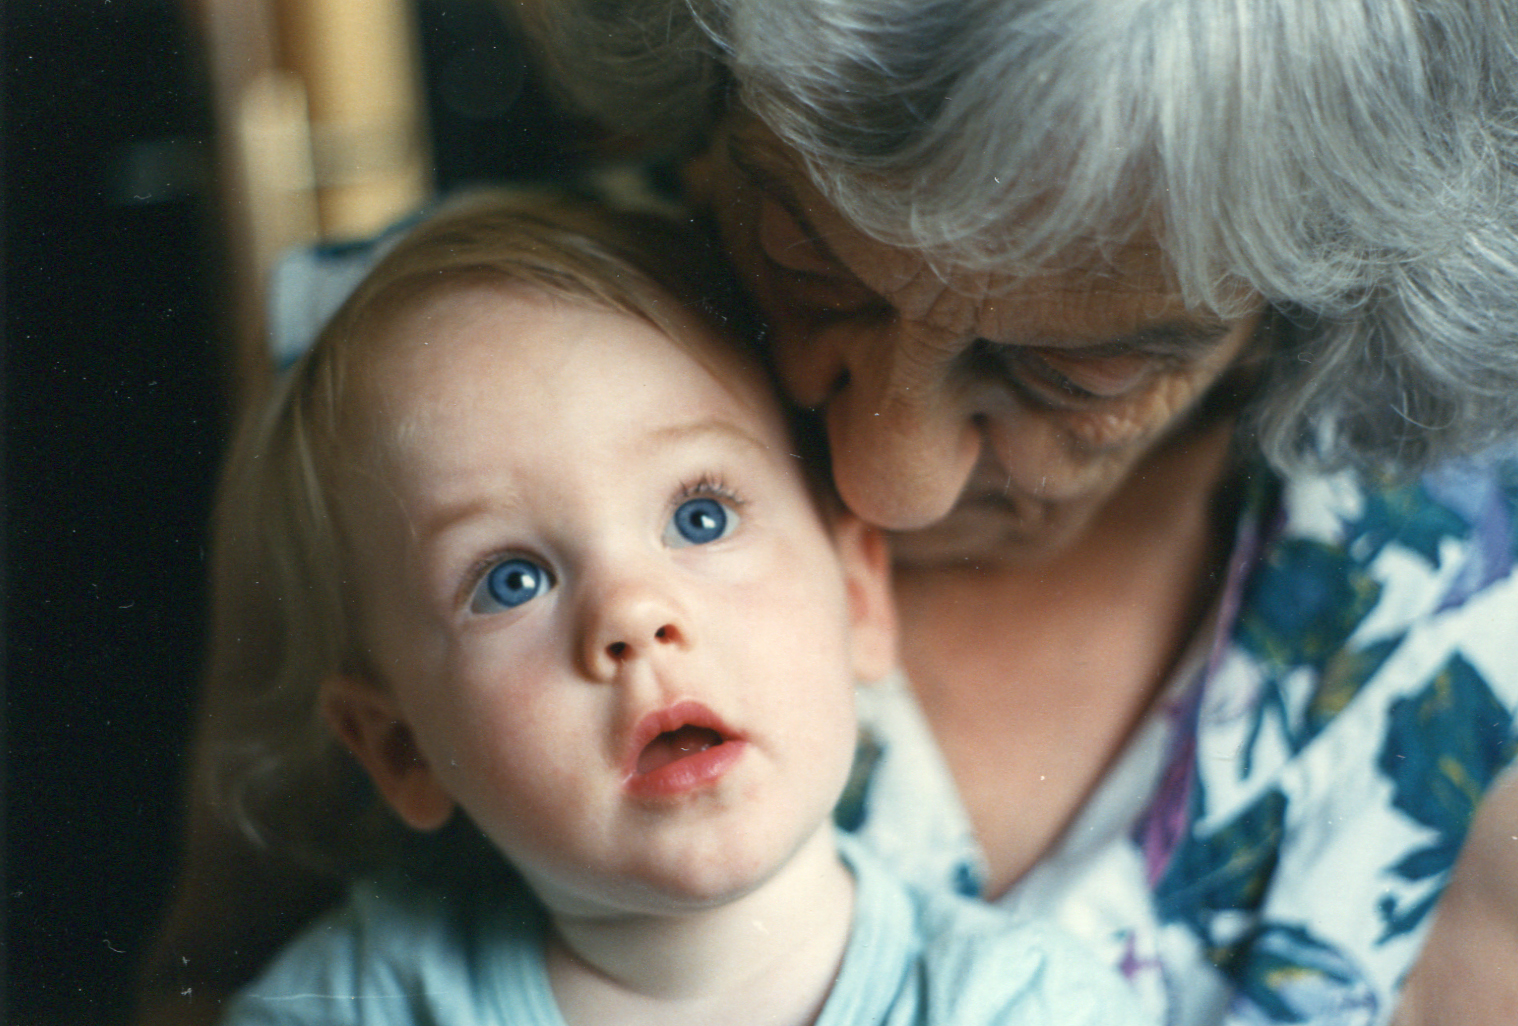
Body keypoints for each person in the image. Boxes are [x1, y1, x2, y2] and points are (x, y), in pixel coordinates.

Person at [138, 1, 1518, 1023]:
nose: (881, 474)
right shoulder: (413, 410)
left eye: (1067, 367)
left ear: (1307, 310)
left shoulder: (1466, 641)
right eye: (811, 262)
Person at [204, 191, 1149, 1026]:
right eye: (510, 580)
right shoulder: (354, 1002)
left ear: (858, 594)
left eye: (699, 517)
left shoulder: (1025, 1005)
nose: (633, 614)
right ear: (398, 747)